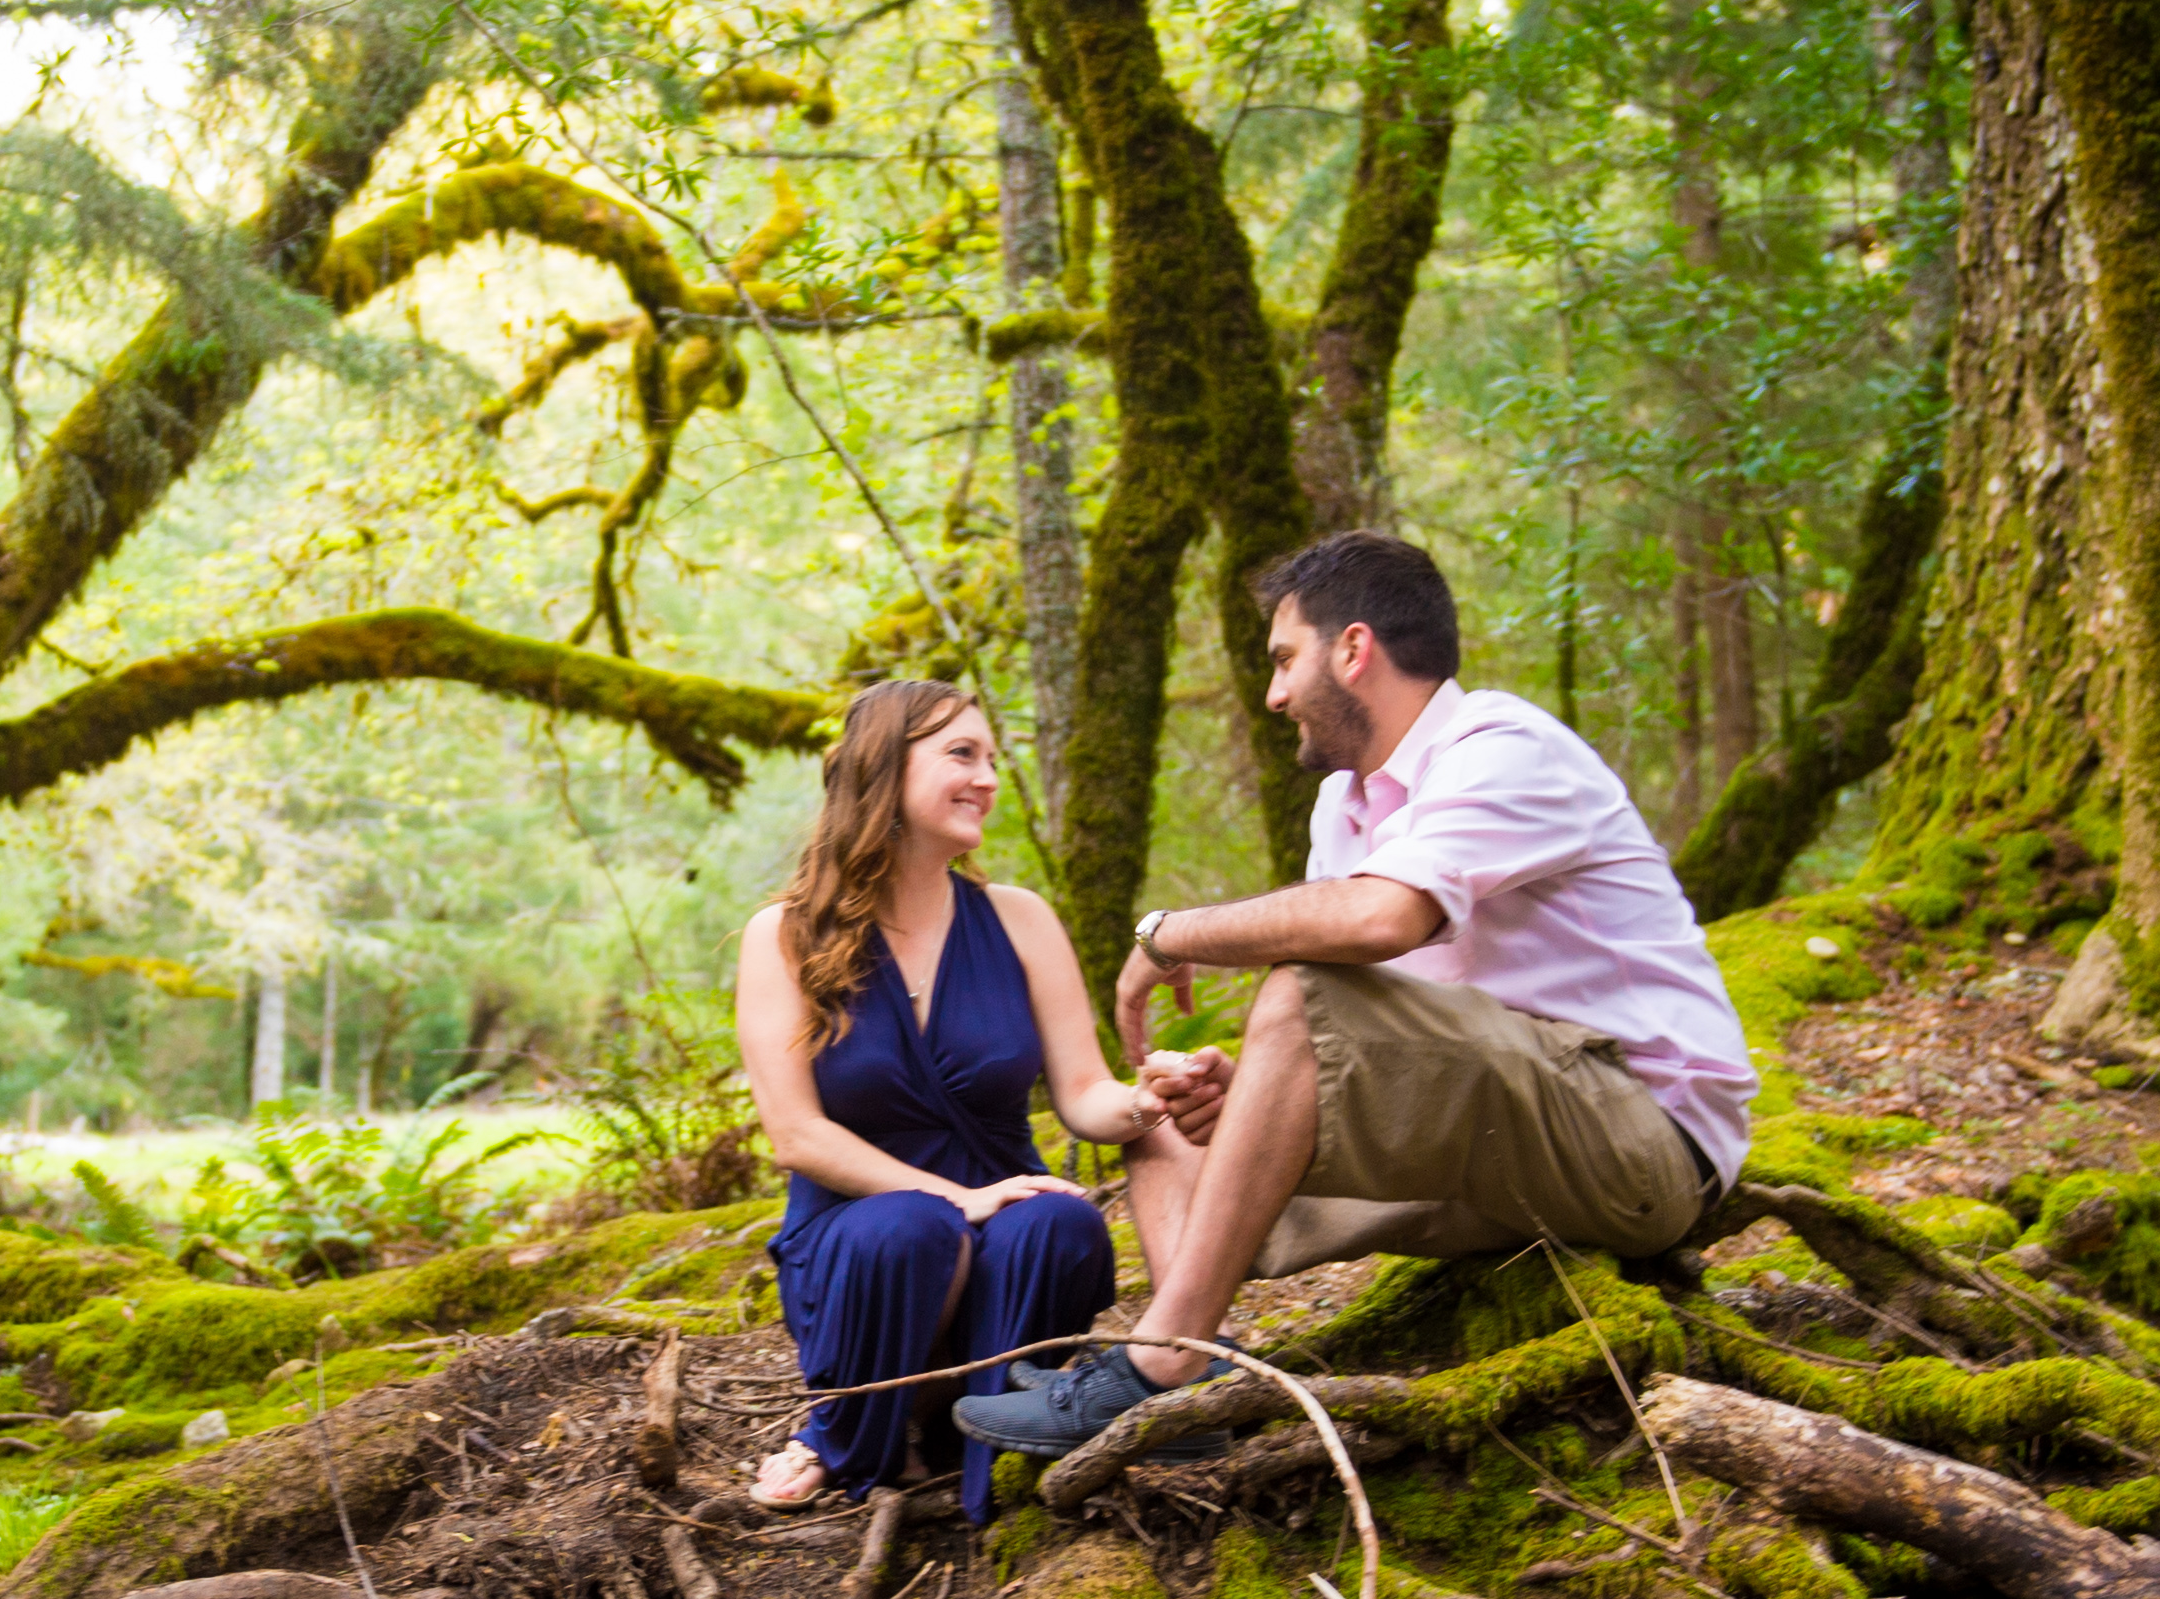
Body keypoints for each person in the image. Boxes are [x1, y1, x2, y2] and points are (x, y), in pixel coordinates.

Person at [953, 532, 1757, 1460]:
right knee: (1159, 1118)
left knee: (1298, 989)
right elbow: (1373, 1026)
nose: (1274, 692)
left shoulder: (1503, 746)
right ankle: (1194, 1382)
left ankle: (1152, 1367)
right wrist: (1239, 1089)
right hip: (1498, 1144)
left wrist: (1167, 933)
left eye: (1285, 659)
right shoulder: (1343, 807)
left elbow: (1381, 925)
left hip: (1640, 1146)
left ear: (1354, 649)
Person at [734, 679, 1161, 1515]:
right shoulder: (784, 936)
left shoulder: (1019, 920)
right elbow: (794, 1134)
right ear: (881, 772)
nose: (989, 777)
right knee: (915, 1228)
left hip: (1011, 1231)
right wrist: (961, 1198)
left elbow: (1084, 1095)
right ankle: (851, 1430)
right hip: (866, 1239)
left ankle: (989, 1439)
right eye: (961, 754)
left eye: (993, 758)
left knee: (1062, 1223)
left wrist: (1153, 1100)